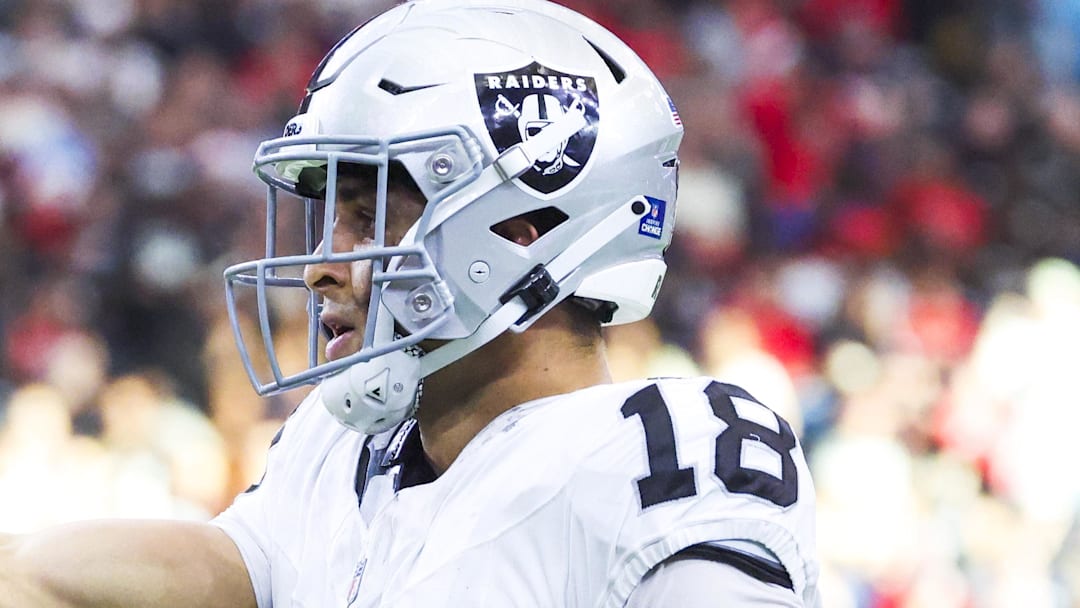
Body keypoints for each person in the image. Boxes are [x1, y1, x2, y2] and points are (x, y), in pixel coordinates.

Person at [0, 0, 821, 605]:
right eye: (327, 216)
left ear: (524, 228)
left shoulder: (669, 455)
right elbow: (233, 570)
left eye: (366, 215)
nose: (324, 268)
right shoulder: (341, 444)